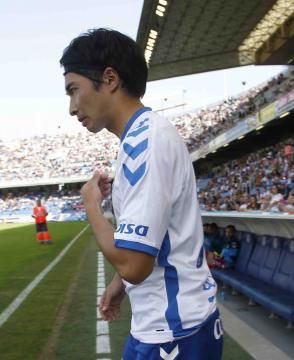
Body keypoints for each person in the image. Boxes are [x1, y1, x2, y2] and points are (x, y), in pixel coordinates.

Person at [61, 28, 222, 359]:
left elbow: (134, 265)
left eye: (74, 90)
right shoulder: (144, 138)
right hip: (182, 323)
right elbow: (160, 239)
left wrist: (91, 205)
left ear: (109, 79)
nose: (72, 107)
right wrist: (121, 285)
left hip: (172, 334)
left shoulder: (144, 145)